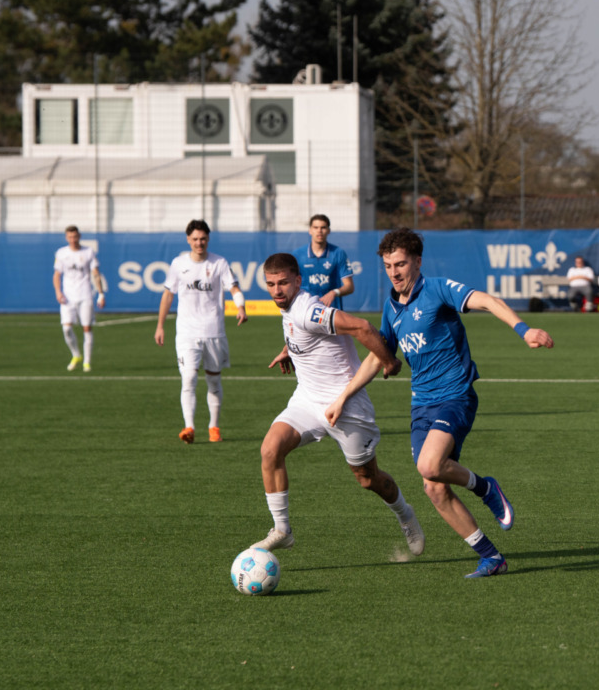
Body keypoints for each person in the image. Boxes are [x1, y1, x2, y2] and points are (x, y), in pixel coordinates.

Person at [375, 228, 554, 579]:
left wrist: (524, 329)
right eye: (387, 266)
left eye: (400, 264)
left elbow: (486, 300)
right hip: (420, 406)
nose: (394, 272)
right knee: (434, 487)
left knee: (429, 465)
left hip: (455, 396)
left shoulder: (437, 288)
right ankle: (490, 557)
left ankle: (485, 487)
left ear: (417, 261)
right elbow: (380, 354)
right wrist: (344, 396)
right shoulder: (391, 308)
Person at [250, 252, 424, 557]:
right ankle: (282, 530)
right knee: (270, 449)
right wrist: (289, 350)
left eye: (284, 283)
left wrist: (389, 361)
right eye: (271, 284)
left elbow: (363, 328)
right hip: (307, 400)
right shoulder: (291, 307)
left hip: (347, 406)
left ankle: (404, 513)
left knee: (368, 479)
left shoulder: (307, 310)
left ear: (298, 281)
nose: (277, 290)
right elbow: (303, 332)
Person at [155, 220, 247, 443]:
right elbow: (168, 295)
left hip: (214, 331)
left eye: (203, 239)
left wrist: (240, 306)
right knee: (188, 379)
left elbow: (233, 287)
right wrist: (160, 325)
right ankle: (189, 427)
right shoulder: (178, 264)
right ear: (188, 240)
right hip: (186, 332)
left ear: (208, 239)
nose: (199, 243)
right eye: (195, 239)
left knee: (214, 381)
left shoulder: (219, 263)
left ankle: (214, 427)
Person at [53, 225, 105, 372]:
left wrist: (100, 294)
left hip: (85, 295)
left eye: (75, 236)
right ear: (66, 238)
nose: (73, 240)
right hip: (67, 297)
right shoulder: (61, 253)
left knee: (87, 328)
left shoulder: (88, 252)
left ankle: (87, 362)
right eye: (70, 237)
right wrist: (58, 292)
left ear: (79, 236)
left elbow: (95, 273)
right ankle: (76, 354)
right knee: (67, 328)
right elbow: (57, 275)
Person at [293, 214, 355, 309]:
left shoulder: (338, 253)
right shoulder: (298, 255)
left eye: (323, 227)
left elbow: (349, 286)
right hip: (306, 310)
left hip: (331, 310)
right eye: (316, 227)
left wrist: (334, 292)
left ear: (329, 231)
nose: (319, 231)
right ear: (310, 230)